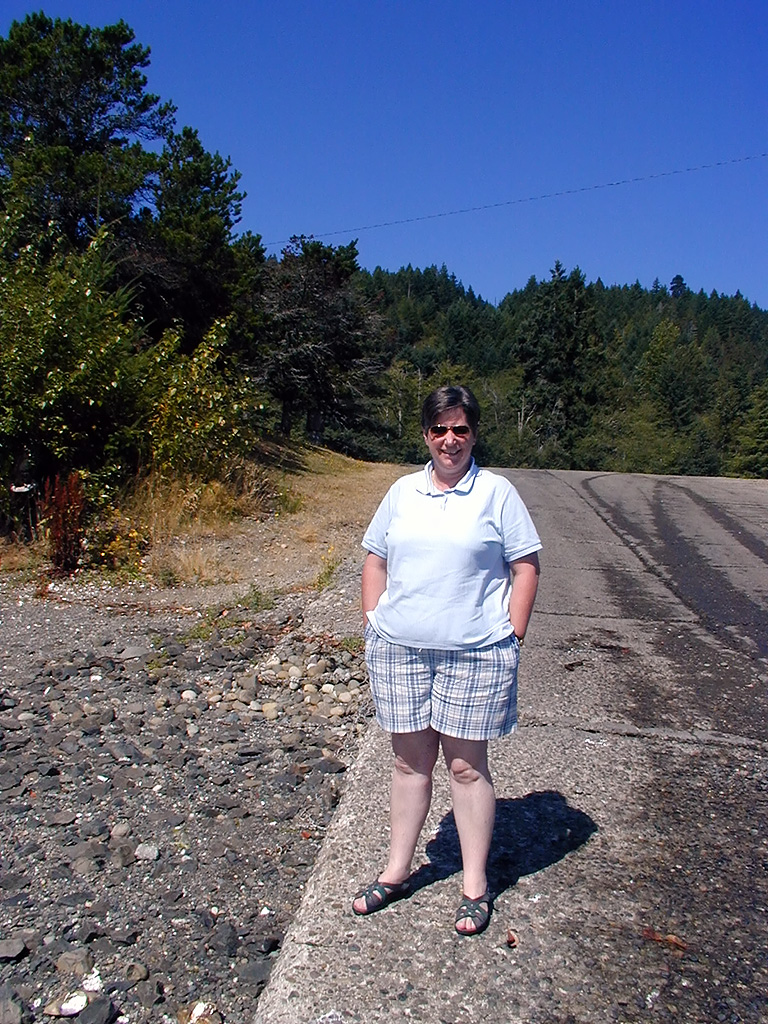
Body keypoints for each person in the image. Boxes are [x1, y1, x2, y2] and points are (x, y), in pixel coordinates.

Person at [352, 384, 541, 936]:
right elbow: (375, 559)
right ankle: (396, 871)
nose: (450, 439)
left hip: (476, 654)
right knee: (409, 764)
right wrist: (373, 622)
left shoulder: (498, 493)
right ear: (426, 434)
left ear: (474, 434)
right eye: (440, 429)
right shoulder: (402, 492)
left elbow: (525, 566)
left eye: (460, 429)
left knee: (465, 767)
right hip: (400, 651)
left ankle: (475, 885)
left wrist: (513, 635)